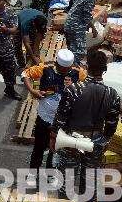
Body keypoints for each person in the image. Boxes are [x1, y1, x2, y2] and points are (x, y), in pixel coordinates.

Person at [51, 50, 120, 202]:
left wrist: (53, 138)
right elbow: (111, 126)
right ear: (104, 69)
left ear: (86, 66)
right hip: (95, 142)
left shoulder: (73, 90)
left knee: (66, 181)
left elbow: (60, 119)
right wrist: (103, 142)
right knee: (89, 182)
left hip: (70, 141)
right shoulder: (112, 94)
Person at [23, 50, 85, 179]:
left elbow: (89, 86)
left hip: (64, 121)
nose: (64, 72)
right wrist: (32, 90)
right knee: (39, 147)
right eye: (61, 69)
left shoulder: (78, 73)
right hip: (44, 117)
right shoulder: (45, 68)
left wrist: (75, 88)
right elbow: (25, 74)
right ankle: (33, 173)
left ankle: (50, 174)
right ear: (56, 63)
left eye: (66, 69)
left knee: (57, 148)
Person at [63, 0, 100, 64]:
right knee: (79, 51)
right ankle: (73, 69)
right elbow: (86, 17)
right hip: (76, 26)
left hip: (68, 23)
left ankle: (67, 67)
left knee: (71, 48)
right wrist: (94, 29)